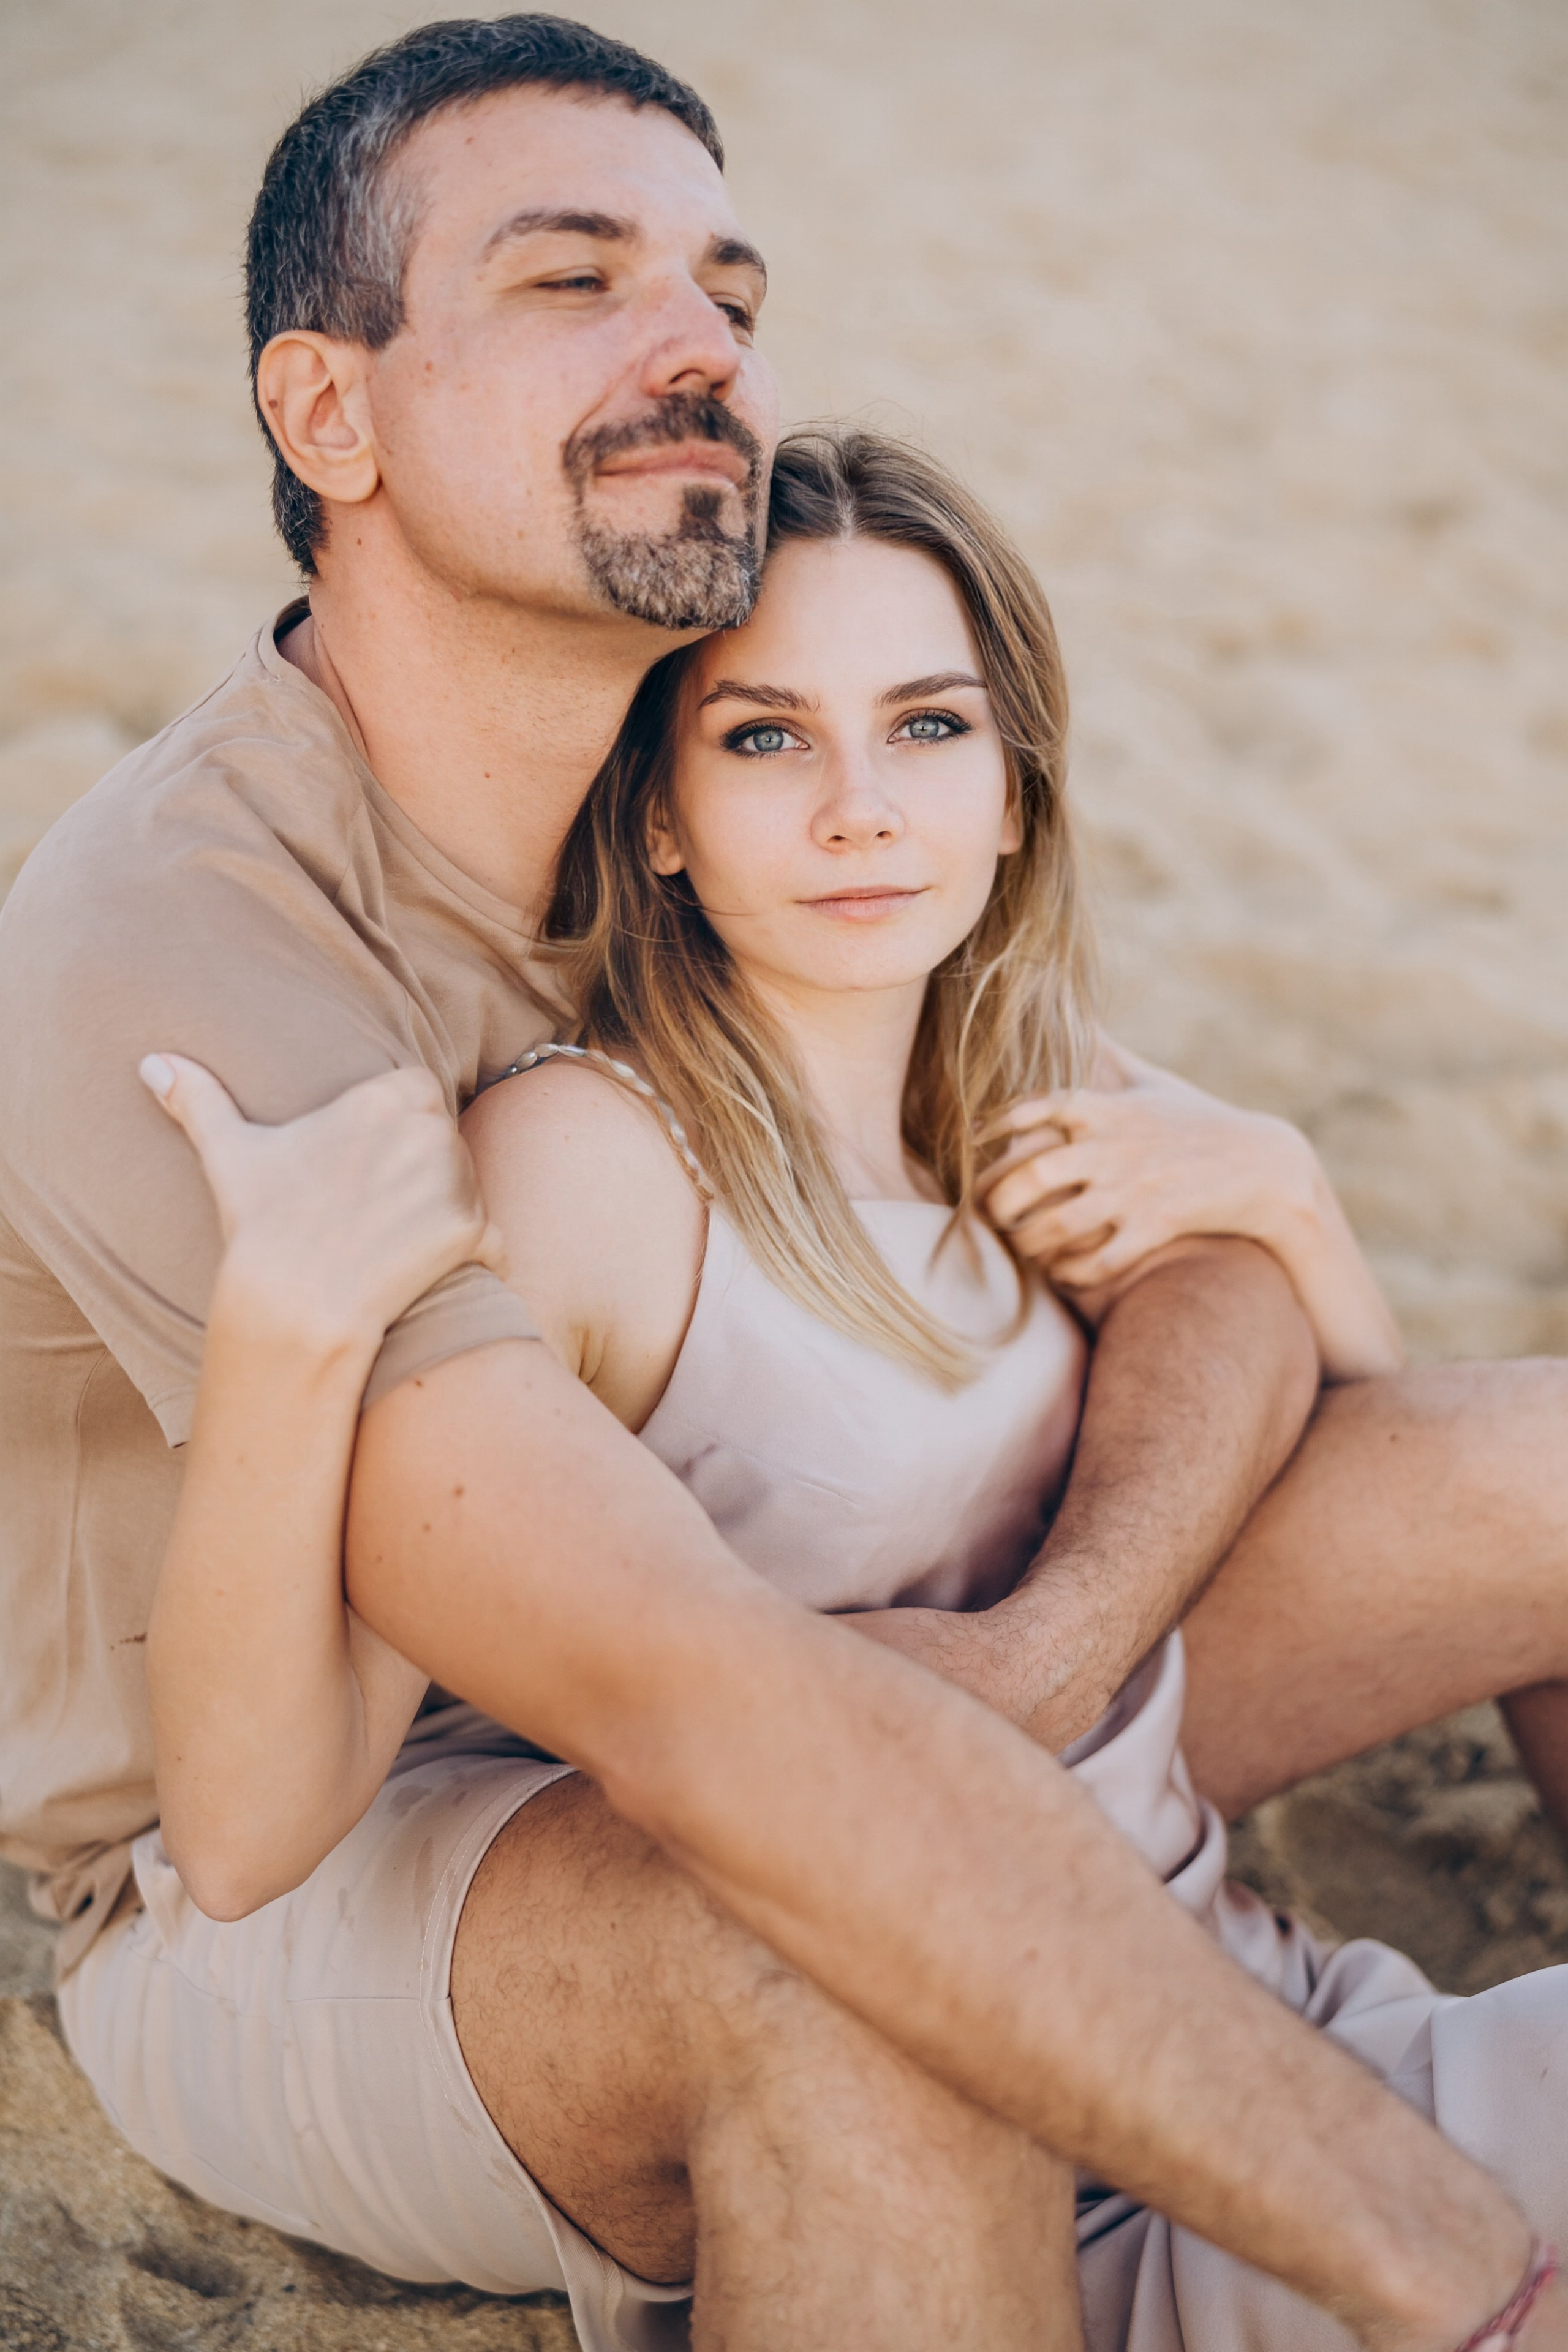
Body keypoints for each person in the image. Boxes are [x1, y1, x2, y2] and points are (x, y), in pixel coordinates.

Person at [0, 18, 1564, 2351]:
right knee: (832, 1947)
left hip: (852, 1651)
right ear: (328, 412)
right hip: (325, 1850)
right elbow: (680, 1697)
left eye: (728, 289)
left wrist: (1064, 1623)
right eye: (573, 280)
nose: (699, 346)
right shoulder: (190, 933)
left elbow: (1137, 1206)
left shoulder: (698, 758)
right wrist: (1460, 2267)